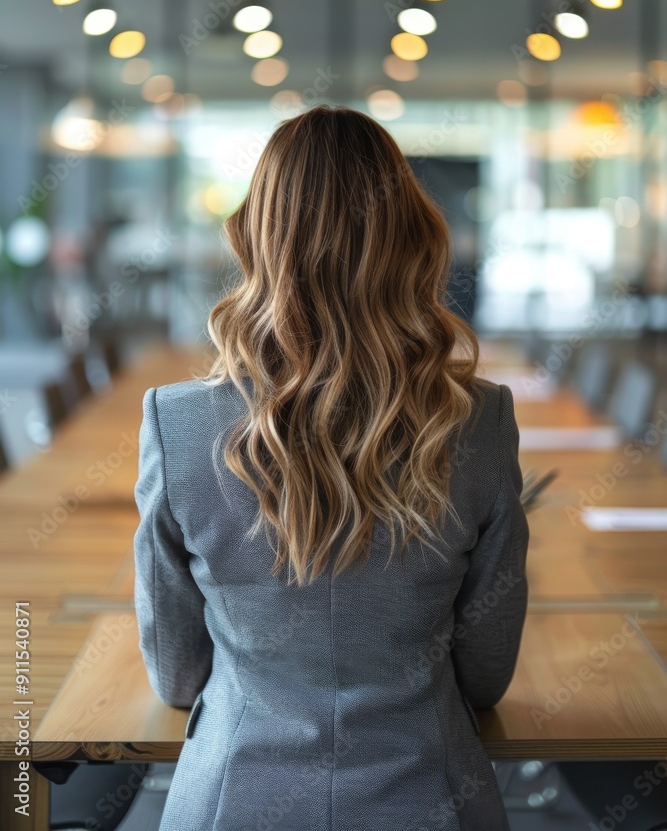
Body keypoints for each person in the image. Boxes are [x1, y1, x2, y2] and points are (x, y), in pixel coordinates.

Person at [133, 104, 529, 831]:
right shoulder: (480, 418)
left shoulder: (175, 421)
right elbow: (485, 675)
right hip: (430, 801)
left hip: (232, 804)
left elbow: (177, 676)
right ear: (412, 240)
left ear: (256, 238)